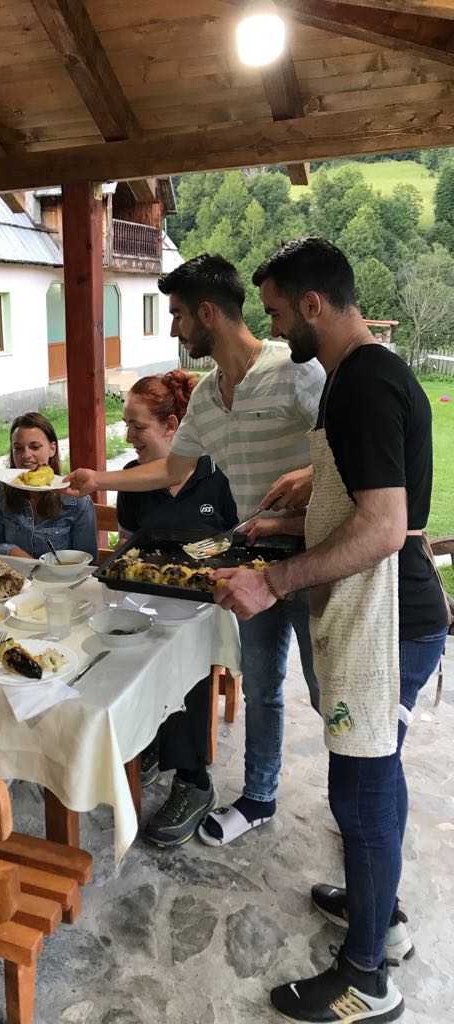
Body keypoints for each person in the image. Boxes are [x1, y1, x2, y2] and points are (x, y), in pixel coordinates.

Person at [215, 237, 449, 1023]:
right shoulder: (365, 373)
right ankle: (380, 910)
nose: (275, 328)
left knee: (361, 787)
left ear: (313, 304)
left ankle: (366, 978)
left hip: (390, 622)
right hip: (380, 613)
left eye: (278, 312)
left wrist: (273, 580)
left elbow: (382, 528)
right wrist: (297, 508)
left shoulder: (362, 385)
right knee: (371, 777)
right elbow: (371, 493)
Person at [66, 254, 325, 847]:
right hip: (251, 563)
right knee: (261, 687)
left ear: (207, 313)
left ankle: (358, 799)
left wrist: (311, 474)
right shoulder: (207, 396)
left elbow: (348, 444)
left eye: (179, 315)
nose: (175, 329)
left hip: (315, 558)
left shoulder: (294, 370)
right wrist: (98, 479)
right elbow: (171, 470)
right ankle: (259, 795)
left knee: (328, 692)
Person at [117, 370, 237, 846]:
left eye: (137, 426)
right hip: (149, 600)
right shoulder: (133, 479)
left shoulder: (218, 476)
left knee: (185, 659)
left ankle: (193, 781)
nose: (129, 436)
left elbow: (235, 543)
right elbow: (129, 543)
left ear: (172, 426)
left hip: (208, 606)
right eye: (126, 424)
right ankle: (148, 739)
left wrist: (198, 562)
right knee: (124, 648)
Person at [0, 411, 97, 560]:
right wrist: (12, 551)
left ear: (52, 449)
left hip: (60, 575)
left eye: (35, 447)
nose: (26, 455)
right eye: (18, 448)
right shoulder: (0, 491)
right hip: (16, 574)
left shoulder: (77, 500)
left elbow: (88, 561)